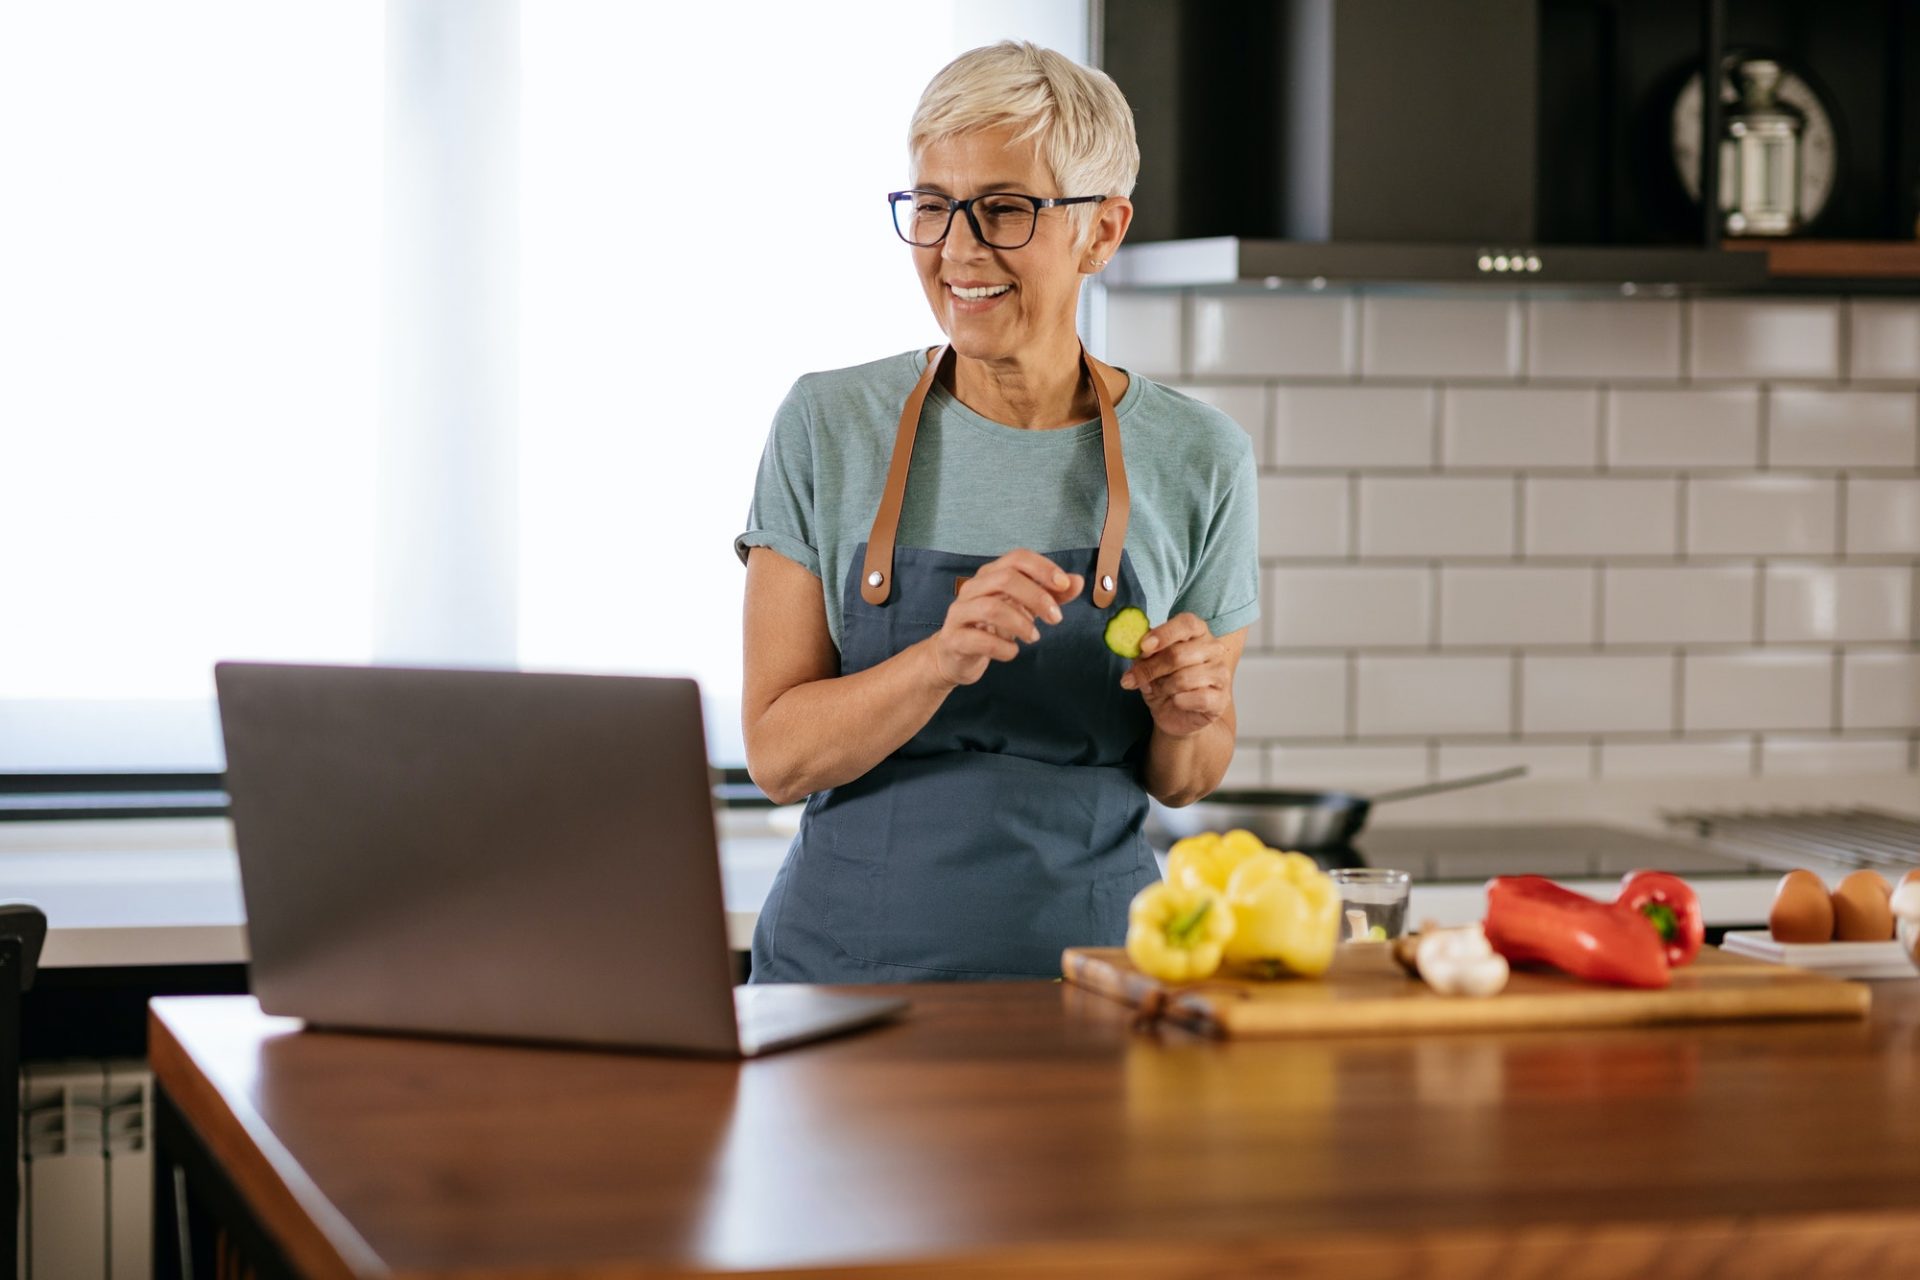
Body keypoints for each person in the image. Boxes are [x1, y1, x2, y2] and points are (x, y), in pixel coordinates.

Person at [735, 40, 1259, 982]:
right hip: (841, 989)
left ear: (1102, 232)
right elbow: (779, 755)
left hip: (1096, 983)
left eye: (1005, 210)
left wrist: (1190, 711)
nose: (957, 251)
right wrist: (940, 657)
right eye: (932, 208)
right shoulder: (827, 422)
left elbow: (1186, 777)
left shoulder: (1200, 456)